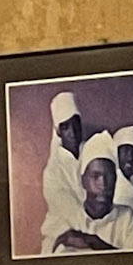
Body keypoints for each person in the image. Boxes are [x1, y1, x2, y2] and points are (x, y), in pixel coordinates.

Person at [47, 131, 133, 252]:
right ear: (83, 181)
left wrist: (94, 243)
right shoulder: (68, 219)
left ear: (115, 180)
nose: (103, 184)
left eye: (109, 176)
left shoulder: (126, 218)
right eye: (95, 176)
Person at [39, 89, 86, 248]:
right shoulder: (52, 172)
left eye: (75, 123)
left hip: (96, 232)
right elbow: (76, 218)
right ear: (58, 131)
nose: (73, 132)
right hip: (62, 240)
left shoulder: (93, 153)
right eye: (66, 127)